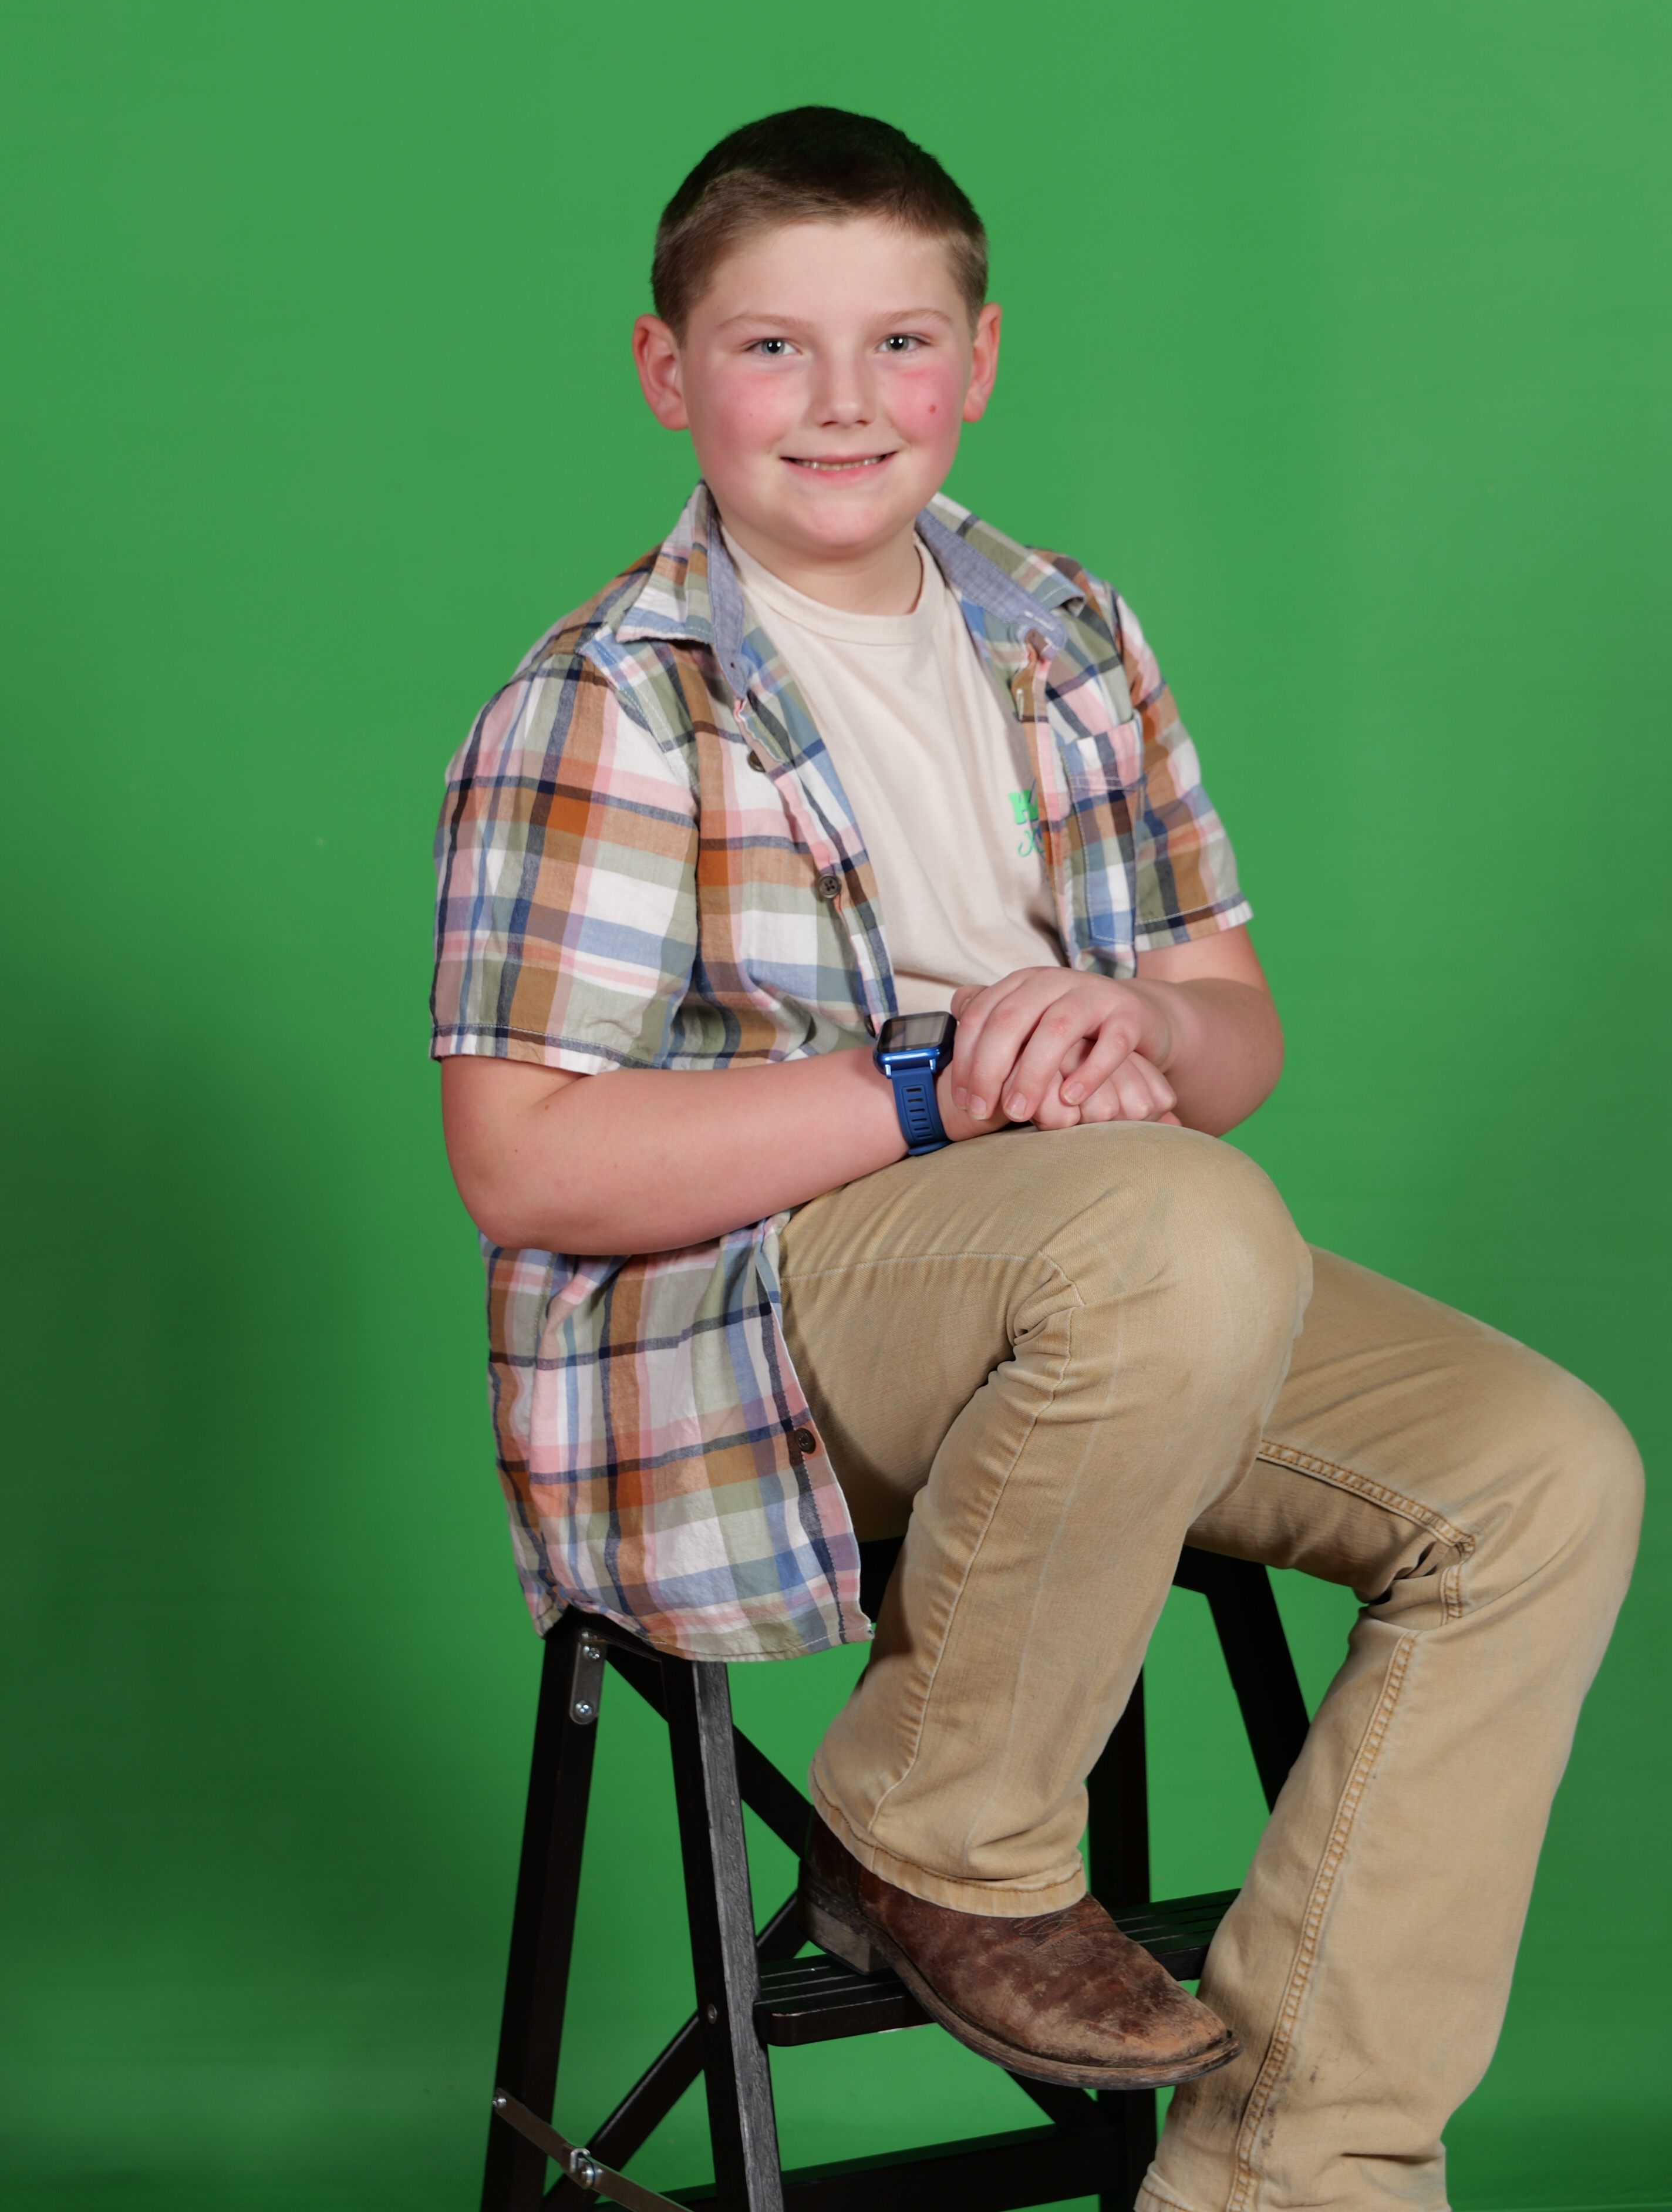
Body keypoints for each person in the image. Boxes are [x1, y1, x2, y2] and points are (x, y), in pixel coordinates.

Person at [432, 106, 1640, 2209]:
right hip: (752, 1330)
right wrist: (932, 1089)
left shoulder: (1063, 632)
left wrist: (1142, 1031)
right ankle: (941, 1832)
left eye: (899, 343)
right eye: (773, 348)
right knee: (1177, 1219)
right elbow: (526, 1164)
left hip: (1116, 1286)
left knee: (1543, 1472)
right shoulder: (613, 700)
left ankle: (1297, 2176)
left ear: (978, 361)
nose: (843, 402)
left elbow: (1230, 1024)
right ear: (667, 372)